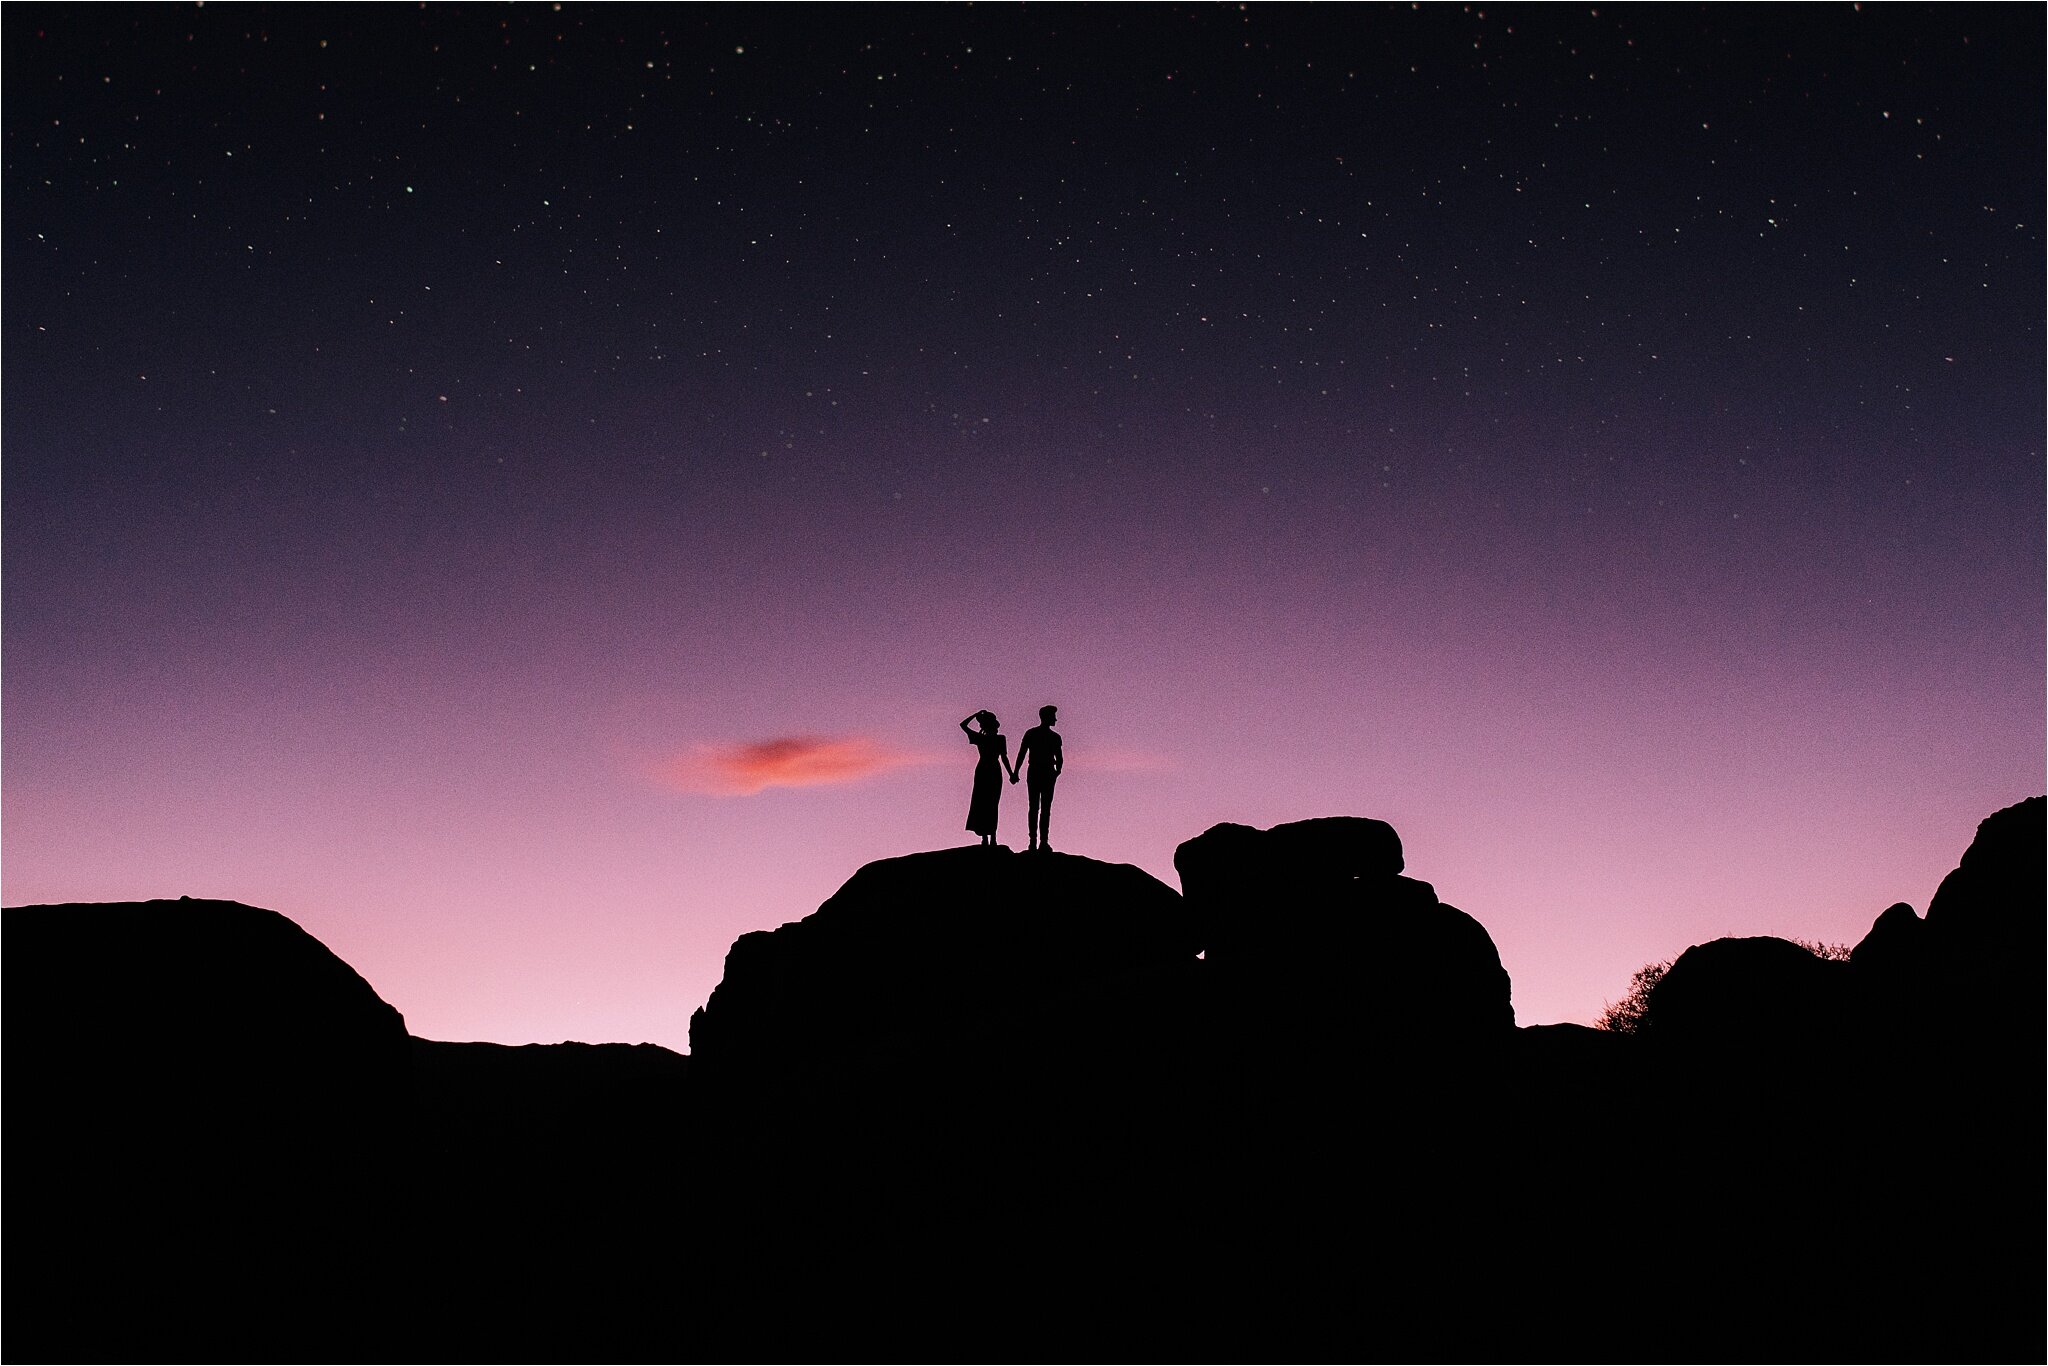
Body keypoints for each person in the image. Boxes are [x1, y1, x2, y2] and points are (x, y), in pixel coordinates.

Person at [959, 711, 1016, 846]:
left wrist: (1011, 774)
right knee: (985, 804)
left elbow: (1004, 758)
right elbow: (963, 725)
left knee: (990, 804)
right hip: (988, 771)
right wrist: (1011, 774)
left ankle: (990, 837)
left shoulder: (994, 738)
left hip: (989, 770)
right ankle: (987, 838)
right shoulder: (986, 738)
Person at [1013, 705, 1063, 852]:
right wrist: (1057, 771)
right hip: (1043, 771)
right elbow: (1059, 758)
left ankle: (1037, 842)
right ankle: (1039, 842)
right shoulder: (1053, 737)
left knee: (1035, 807)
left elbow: (1021, 754)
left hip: (1038, 771)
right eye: (1053, 716)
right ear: (1046, 717)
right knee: (1042, 808)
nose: (1055, 719)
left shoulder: (1032, 734)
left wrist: (1016, 772)